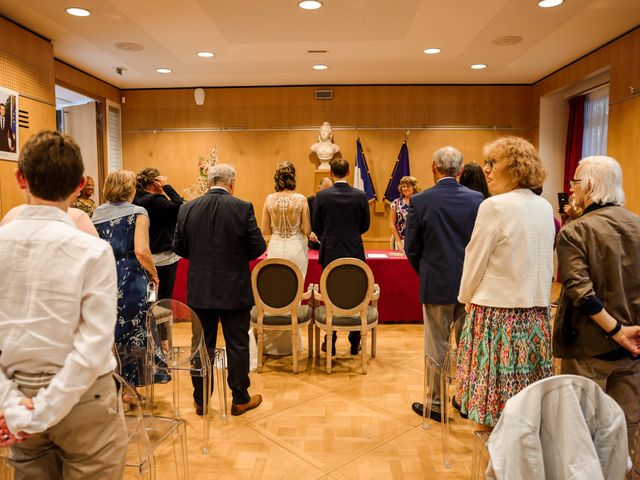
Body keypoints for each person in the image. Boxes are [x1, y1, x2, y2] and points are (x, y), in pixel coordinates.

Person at [0, 130, 126, 478]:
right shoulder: (93, 251)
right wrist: (41, 410)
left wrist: (14, 406)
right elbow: (94, 344)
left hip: (18, 392)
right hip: (84, 398)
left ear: (20, 177)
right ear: (80, 184)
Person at [455, 136, 555, 429]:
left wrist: (465, 297)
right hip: (535, 316)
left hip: (497, 317)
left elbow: (475, 259)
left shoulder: (494, 206)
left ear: (515, 167)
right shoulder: (544, 206)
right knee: (525, 402)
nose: (485, 169)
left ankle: (494, 466)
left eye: (492, 162)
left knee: (490, 404)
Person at [554, 155, 640, 445]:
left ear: (589, 186)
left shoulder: (575, 231)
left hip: (589, 348)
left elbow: (581, 292)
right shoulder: (638, 225)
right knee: (623, 432)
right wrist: (628, 334)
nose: (572, 189)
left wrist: (616, 332)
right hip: (633, 349)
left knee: (582, 434)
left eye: (575, 183)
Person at [173, 164, 266, 416]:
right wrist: (235, 256)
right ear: (231, 183)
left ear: (208, 182)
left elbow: (179, 247)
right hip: (234, 287)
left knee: (201, 346)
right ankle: (239, 398)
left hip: (201, 288)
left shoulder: (186, 208)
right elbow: (258, 247)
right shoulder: (242, 207)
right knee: (237, 344)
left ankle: (201, 400)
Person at [404, 147, 484, 422]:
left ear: (433, 167)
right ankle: (464, 400)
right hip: (471, 287)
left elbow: (411, 248)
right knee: (467, 346)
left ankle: (436, 403)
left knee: (436, 346)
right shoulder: (478, 200)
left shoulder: (420, 201)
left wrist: (426, 271)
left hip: (436, 283)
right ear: (460, 171)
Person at [92, 170, 163, 386]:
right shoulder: (138, 212)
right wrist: (154, 273)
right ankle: (130, 386)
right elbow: (142, 251)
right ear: (130, 189)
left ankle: (113, 382)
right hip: (132, 278)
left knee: (111, 331)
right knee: (137, 328)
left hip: (104, 277)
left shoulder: (96, 214)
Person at [312, 157, 370, 355]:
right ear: (347, 173)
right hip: (354, 249)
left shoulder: (322, 196)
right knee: (354, 294)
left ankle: (330, 340)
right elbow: (365, 225)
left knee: (330, 295)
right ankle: (355, 340)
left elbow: (317, 225)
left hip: (330, 250)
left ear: (331, 174)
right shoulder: (360, 195)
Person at [260, 161, 311, 355]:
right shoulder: (300, 199)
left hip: (275, 246)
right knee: (294, 293)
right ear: (293, 177)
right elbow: (306, 229)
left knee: (274, 292)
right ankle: (290, 343)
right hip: (296, 248)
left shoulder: (269, 199)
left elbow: (265, 229)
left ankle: (272, 343)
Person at [134, 168, 184, 301]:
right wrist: (167, 187)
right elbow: (180, 207)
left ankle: (150, 319)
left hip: (145, 256)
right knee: (164, 297)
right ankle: (161, 322)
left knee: (151, 295)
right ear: (156, 182)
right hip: (163, 258)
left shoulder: (136, 199)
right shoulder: (157, 200)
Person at [389, 176, 420, 250]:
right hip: (401, 241)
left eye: (408, 186)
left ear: (414, 188)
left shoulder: (420, 202)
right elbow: (392, 224)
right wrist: (398, 241)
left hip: (417, 241)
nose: (405, 189)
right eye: (403, 186)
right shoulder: (396, 203)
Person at [307, 177, 333, 250]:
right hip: (314, 241)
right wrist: (310, 233)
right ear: (319, 188)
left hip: (330, 242)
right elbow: (307, 220)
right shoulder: (310, 200)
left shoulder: (334, 202)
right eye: (324, 190)